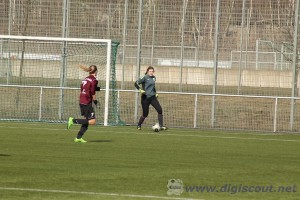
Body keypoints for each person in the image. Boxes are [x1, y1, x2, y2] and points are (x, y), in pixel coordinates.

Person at [67, 65, 100, 143]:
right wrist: (95, 101)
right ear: (96, 72)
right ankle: (73, 121)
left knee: (86, 120)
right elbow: (92, 92)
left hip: (82, 99)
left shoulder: (86, 78)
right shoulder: (94, 80)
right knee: (92, 121)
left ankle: (78, 137)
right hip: (87, 101)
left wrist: (95, 89)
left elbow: (82, 88)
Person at [134, 66, 167, 130]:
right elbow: (136, 83)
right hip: (145, 98)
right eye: (150, 71)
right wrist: (140, 90)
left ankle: (161, 126)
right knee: (145, 114)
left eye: (152, 71)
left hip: (152, 97)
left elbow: (153, 87)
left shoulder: (154, 78)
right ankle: (139, 124)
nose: (151, 72)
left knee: (160, 110)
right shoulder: (144, 77)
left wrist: (155, 93)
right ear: (147, 71)